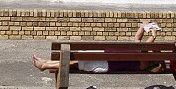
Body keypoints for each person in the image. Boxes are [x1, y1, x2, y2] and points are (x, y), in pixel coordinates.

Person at [32, 21, 164, 73]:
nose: (150, 49)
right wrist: (144, 26)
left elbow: (144, 49)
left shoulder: (144, 63)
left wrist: (153, 36)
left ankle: (45, 65)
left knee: (75, 62)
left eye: (153, 50)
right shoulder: (140, 51)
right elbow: (137, 38)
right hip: (103, 55)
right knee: (76, 58)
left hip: (104, 64)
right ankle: (46, 63)